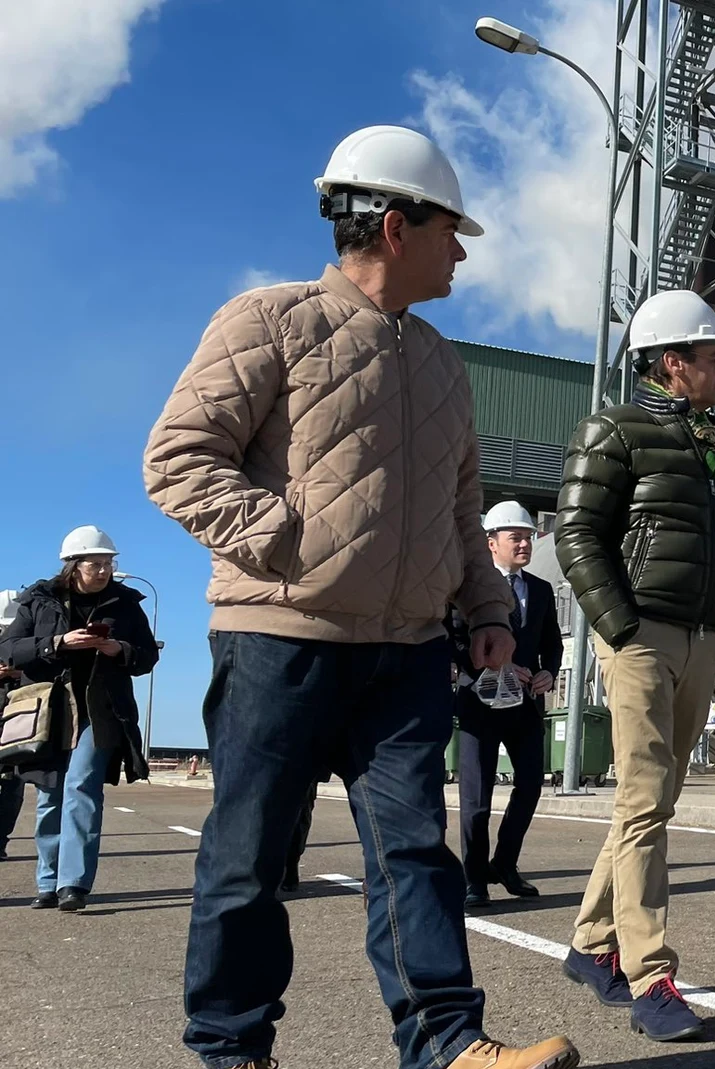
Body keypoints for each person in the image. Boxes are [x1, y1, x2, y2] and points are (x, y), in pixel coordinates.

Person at [143, 125, 578, 1069]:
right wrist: (292, 543)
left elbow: (464, 512)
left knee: (416, 853)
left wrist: (490, 611)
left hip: (411, 649)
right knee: (247, 858)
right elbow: (178, 458)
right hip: (278, 639)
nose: (462, 251)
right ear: (395, 225)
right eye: (451, 232)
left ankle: (447, 1043)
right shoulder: (270, 319)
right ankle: (230, 1048)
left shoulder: (443, 363)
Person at [554, 288, 715, 1042]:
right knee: (643, 804)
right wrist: (622, 629)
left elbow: (712, 562)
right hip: (642, 636)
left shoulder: (706, 444)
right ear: (674, 363)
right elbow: (576, 533)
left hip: (697, 639)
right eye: (712, 358)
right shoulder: (615, 429)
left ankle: (587, 943)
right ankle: (650, 976)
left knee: (653, 802)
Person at [0, 528, 157, 911]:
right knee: (51, 792)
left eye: (108, 564)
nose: (103, 571)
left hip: (100, 710)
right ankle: (48, 882)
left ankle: (75, 884)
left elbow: (147, 655)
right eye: (95, 564)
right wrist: (57, 644)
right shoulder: (39, 600)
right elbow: (9, 649)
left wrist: (118, 648)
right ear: (73, 565)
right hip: (50, 711)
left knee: (82, 787)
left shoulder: (125, 603)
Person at [453, 501, 562, 909]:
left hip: (525, 704)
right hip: (479, 703)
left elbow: (551, 642)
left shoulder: (540, 589)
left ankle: (505, 862)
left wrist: (548, 671)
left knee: (532, 784)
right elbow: (457, 641)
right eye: (515, 536)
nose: (524, 543)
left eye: (529, 536)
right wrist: (497, 664)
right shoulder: (468, 588)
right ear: (490, 542)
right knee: (476, 797)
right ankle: (473, 878)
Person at [0, 588, 24, 863]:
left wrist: (19, 672)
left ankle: (0, 840)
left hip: (19, 718)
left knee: (12, 783)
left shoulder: (25, 636)